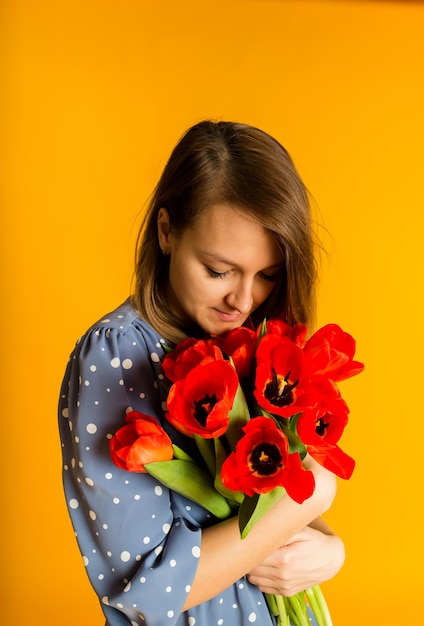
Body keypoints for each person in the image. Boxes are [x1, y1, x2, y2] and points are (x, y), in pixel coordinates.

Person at [58, 120, 345, 626]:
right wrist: (312, 497)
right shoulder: (115, 355)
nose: (243, 299)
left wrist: (330, 547)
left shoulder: (243, 346)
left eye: (268, 276)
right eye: (218, 271)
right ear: (166, 232)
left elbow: (264, 509)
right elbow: (146, 592)